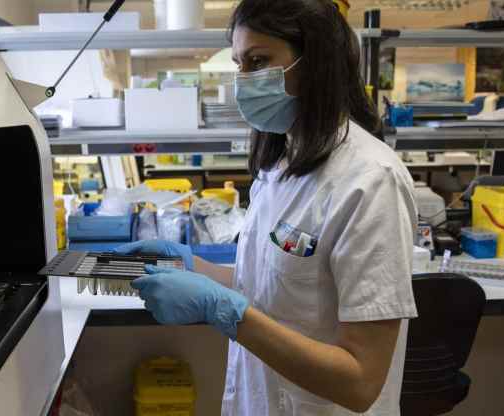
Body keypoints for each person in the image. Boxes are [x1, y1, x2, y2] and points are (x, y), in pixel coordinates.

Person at [115, 0, 418, 414]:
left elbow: (361, 381)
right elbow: (270, 286)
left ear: (316, 63)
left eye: (258, 61)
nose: (243, 81)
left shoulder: (370, 180)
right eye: (239, 63)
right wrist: (190, 267)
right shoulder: (279, 167)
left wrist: (224, 311)